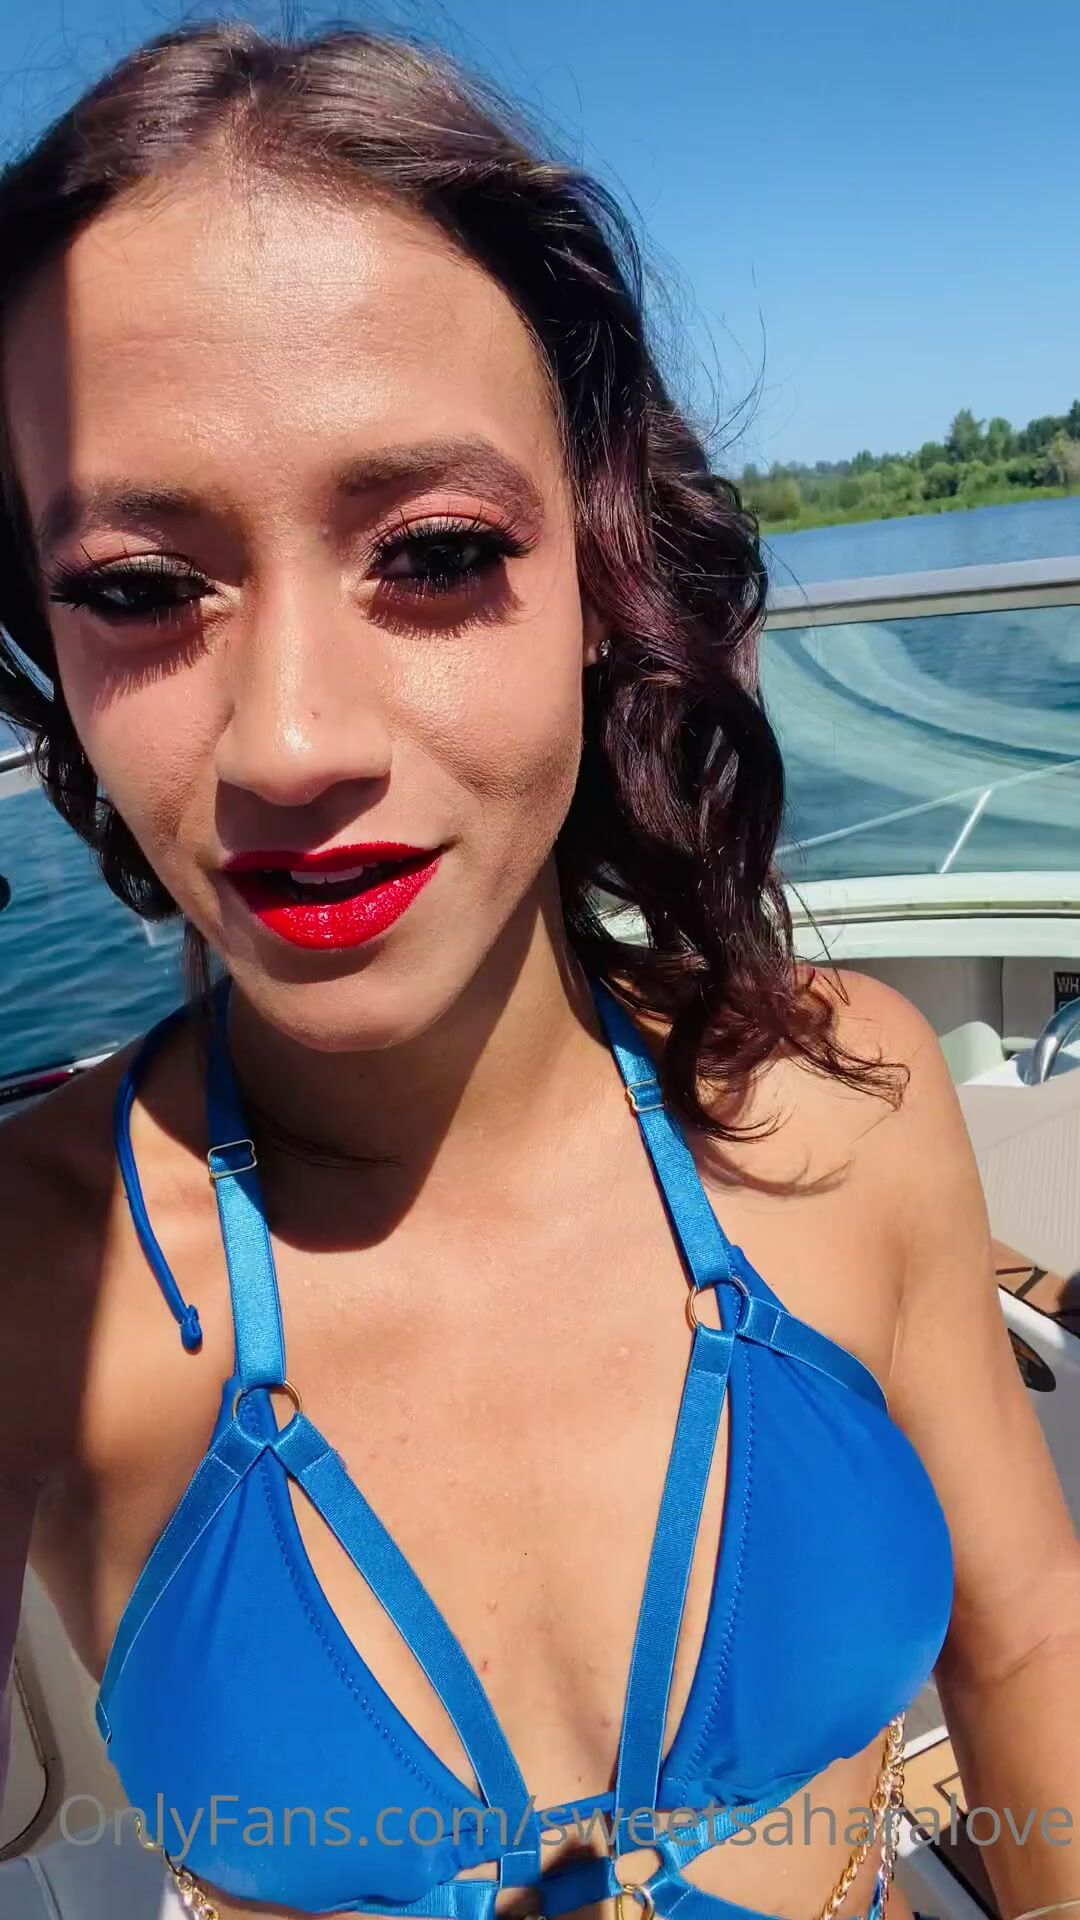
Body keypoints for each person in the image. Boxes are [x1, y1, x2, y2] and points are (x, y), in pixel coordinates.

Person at [0, 22, 1076, 1920]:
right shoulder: (36, 1271)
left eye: (430, 552)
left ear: (601, 569)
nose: (289, 742)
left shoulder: (849, 1101)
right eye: (140, 589)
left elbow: (1028, 1638)